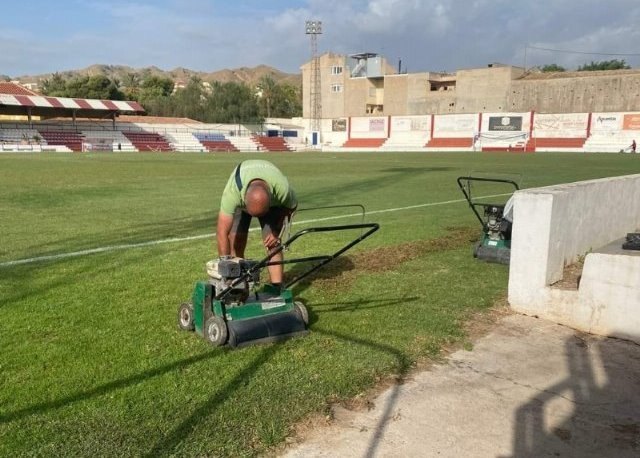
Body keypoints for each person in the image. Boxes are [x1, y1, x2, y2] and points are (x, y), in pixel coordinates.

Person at [217, 160, 297, 288]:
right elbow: (222, 232)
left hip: (271, 204)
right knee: (236, 241)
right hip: (242, 193)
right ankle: (236, 282)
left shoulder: (282, 190)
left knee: (273, 245)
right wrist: (225, 265)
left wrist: (277, 231)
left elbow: (290, 208)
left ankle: (277, 286)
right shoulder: (233, 193)